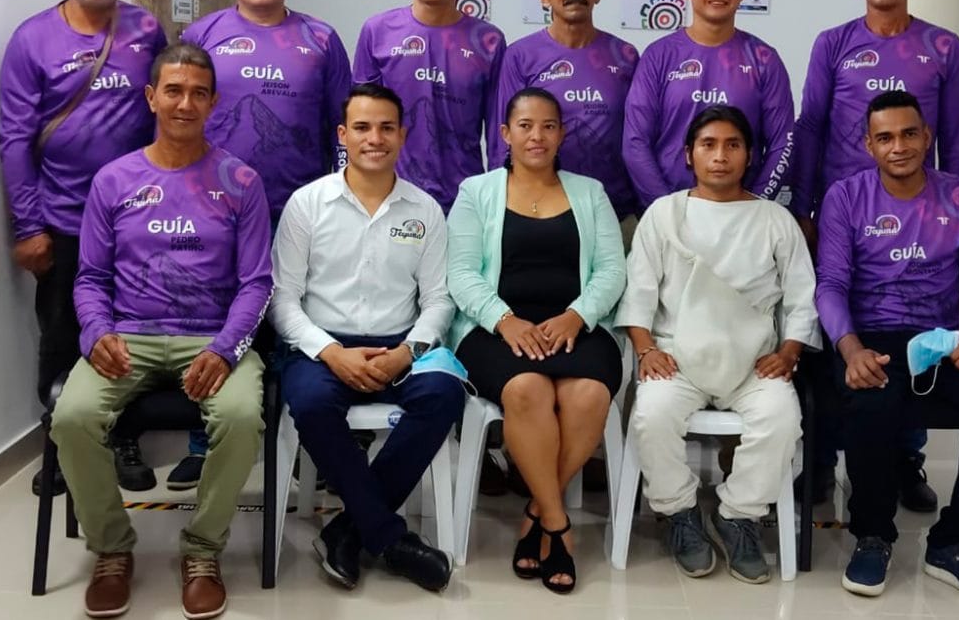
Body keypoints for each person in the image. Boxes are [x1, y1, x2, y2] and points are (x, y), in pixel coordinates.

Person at [49, 43, 271, 620]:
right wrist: (96, 332)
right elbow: (90, 276)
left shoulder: (241, 180)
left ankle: (201, 551)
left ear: (215, 102)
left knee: (244, 416)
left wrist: (226, 349)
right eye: (173, 90)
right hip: (129, 335)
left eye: (199, 92)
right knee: (71, 417)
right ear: (152, 97)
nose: (185, 102)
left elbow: (257, 283)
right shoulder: (114, 179)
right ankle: (112, 550)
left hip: (213, 336)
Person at [135, 0, 351, 492]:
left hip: (302, 208)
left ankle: (310, 443)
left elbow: (342, 126)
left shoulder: (321, 39)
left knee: (302, 321)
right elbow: (179, 118)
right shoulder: (203, 35)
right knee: (222, 318)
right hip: (217, 208)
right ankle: (207, 443)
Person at [816, 90, 959, 606]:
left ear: (927, 137)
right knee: (874, 400)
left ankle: (954, 542)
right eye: (885, 137)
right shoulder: (845, 197)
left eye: (909, 134)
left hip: (939, 344)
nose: (899, 147)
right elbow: (829, 285)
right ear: (868, 144)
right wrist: (849, 349)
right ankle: (872, 536)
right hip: (869, 339)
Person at [792, 0, 959, 512]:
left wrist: (955, 211)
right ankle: (819, 461)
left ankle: (904, 461)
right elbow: (811, 127)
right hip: (843, 217)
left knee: (917, 331)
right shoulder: (833, 42)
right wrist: (806, 208)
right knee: (831, 333)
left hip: (920, 218)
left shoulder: (943, 47)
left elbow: (953, 138)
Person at [271, 82, 462, 592]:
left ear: (402, 135)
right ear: (343, 135)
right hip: (321, 343)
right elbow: (283, 300)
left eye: (385, 127)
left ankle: (347, 531)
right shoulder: (307, 204)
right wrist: (332, 353)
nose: (374, 138)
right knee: (310, 403)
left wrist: (406, 353)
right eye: (362, 127)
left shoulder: (425, 209)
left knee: (443, 395)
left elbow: (440, 299)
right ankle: (388, 537)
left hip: (401, 342)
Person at [0, 0, 167, 495]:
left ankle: (122, 439)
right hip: (64, 220)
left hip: (138, 221)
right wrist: (28, 226)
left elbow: (163, 114)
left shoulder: (146, 30)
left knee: (132, 332)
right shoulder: (32, 40)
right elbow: (15, 139)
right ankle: (62, 447)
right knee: (63, 336)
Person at [616, 105, 818, 584]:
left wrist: (789, 352)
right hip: (677, 358)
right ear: (689, 155)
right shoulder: (664, 215)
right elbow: (638, 295)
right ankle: (681, 513)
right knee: (652, 415)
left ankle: (737, 515)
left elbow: (801, 297)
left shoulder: (775, 219)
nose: (720, 156)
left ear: (749, 155)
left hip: (754, 364)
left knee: (782, 418)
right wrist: (646, 350)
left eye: (732, 145)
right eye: (708, 145)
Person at [447, 88, 626, 594]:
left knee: (588, 393)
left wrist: (578, 316)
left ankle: (537, 514)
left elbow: (613, 270)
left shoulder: (590, 192)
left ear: (562, 134)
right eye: (525, 126)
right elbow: (460, 274)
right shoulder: (475, 192)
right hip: (494, 331)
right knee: (527, 390)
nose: (537, 136)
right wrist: (504, 321)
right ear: (505, 134)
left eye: (549, 126)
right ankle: (559, 528)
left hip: (576, 327)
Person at [622, 0, 794, 210]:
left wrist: (755, 206)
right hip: (670, 212)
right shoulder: (658, 56)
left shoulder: (765, 59)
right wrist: (667, 210)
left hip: (743, 217)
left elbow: (783, 144)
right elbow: (635, 143)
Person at [354, 0, 506, 213]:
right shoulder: (377, 32)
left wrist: (500, 196)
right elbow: (359, 120)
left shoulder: (488, 41)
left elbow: (501, 131)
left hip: (465, 200)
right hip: (391, 195)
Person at [496, 0, 639, 232]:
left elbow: (638, 136)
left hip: (614, 213)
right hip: (539, 213)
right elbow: (504, 141)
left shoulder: (625, 56)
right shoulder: (521, 56)